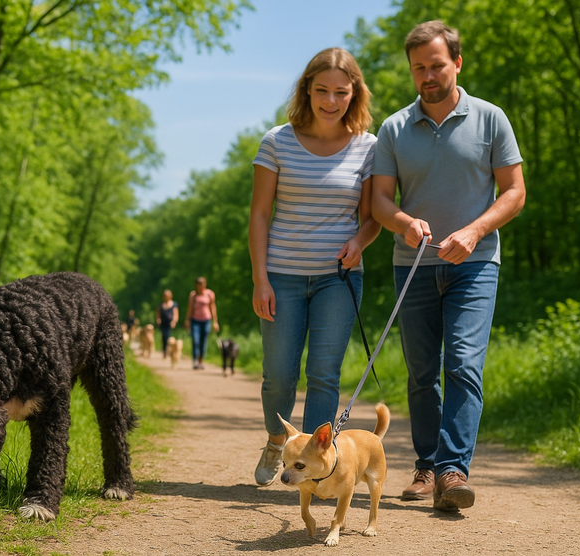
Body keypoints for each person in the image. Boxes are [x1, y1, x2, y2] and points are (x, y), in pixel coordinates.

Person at [370, 21, 526, 511]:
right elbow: (378, 200)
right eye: (419, 67)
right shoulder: (394, 127)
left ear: (456, 62)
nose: (427, 75)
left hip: (475, 263)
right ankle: (426, 465)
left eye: (436, 65)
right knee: (420, 373)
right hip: (411, 265)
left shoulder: (491, 119)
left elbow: (515, 192)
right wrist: (403, 223)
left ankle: (453, 470)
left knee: (462, 363)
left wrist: (475, 230)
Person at [248, 47, 382, 487]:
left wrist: (359, 243)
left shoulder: (368, 146)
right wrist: (260, 279)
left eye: (340, 92)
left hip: (337, 280)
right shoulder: (277, 141)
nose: (330, 101)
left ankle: (317, 463)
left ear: (354, 93)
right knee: (279, 376)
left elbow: (371, 216)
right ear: (307, 89)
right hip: (281, 278)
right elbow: (260, 215)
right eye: (321, 90)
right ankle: (276, 440)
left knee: (324, 373)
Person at [185, 276, 218, 370]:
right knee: (195, 340)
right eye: (198, 284)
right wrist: (187, 320)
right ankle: (195, 360)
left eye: (202, 284)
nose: (200, 286)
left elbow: (213, 307)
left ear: (205, 284)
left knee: (203, 341)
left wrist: (215, 322)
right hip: (195, 320)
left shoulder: (210, 293)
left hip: (206, 320)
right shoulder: (193, 295)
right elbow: (190, 308)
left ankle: (201, 361)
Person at [155, 289, 179, 354]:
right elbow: (158, 313)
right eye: (165, 295)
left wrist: (174, 321)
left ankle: (170, 350)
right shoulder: (161, 304)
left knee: (169, 337)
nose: (166, 296)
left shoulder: (174, 304)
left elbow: (175, 314)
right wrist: (158, 319)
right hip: (163, 323)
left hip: (170, 323)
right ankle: (164, 350)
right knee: (163, 336)